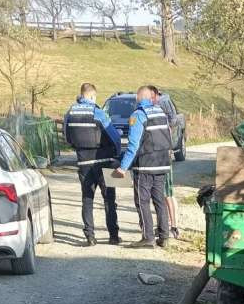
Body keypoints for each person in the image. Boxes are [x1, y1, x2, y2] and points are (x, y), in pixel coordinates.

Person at [113, 86, 172, 248]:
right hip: (162, 163)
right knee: (159, 200)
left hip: (145, 165)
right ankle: (164, 236)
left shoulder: (138, 115)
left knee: (142, 201)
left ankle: (148, 237)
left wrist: (123, 168)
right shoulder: (161, 113)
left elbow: (133, 145)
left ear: (138, 99)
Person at [63, 82, 122, 246]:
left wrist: (78, 149)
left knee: (87, 199)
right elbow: (114, 137)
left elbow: (67, 137)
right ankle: (113, 235)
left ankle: (90, 236)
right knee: (109, 199)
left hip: (84, 162)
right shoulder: (98, 112)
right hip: (104, 161)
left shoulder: (69, 113)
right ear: (91, 96)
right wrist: (116, 153)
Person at [147, 84, 180, 240]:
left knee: (167, 193)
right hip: (162, 155)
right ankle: (168, 225)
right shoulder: (159, 113)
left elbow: (170, 129)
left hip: (163, 157)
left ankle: (173, 227)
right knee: (165, 193)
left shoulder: (161, 111)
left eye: (152, 97)